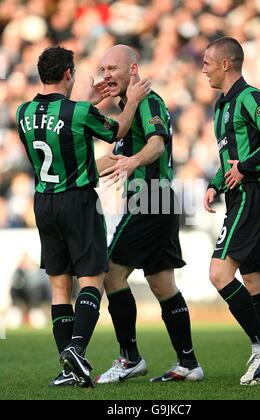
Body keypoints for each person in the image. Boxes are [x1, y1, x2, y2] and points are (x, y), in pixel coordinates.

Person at [16, 46, 151, 388]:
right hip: (77, 202)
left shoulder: (23, 112)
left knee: (60, 287)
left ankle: (67, 370)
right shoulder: (77, 112)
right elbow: (117, 131)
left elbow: (55, 126)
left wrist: (87, 102)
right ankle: (76, 350)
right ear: (67, 74)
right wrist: (131, 99)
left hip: (43, 204)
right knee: (91, 280)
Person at [94, 44, 204, 384]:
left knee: (110, 274)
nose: (107, 74)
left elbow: (156, 144)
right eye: (103, 69)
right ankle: (188, 363)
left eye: (113, 68)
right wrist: (75, 178)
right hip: (159, 201)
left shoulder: (149, 102)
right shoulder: (130, 109)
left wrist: (134, 161)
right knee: (161, 283)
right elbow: (114, 158)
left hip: (150, 199)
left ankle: (130, 358)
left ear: (133, 69)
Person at [202, 37, 260, 385]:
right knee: (254, 279)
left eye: (208, 61)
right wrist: (215, 183)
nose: (203, 67)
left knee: (219, 274)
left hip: (254, 192)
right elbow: (230, 159)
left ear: (227, 64)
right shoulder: (221, 106)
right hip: (241, 192)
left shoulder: (250, 97)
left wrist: (246, 168)